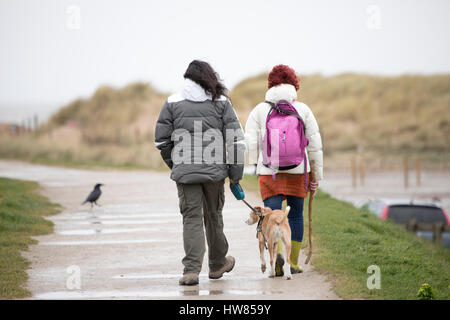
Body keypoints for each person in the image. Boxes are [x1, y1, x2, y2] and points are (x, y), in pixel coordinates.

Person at [155, 60, 245, 286]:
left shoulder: (172, 102)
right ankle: (217, 265)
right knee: (214, 216)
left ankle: (191, 271)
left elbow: (162, 140)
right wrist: (235, 173)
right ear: (208, 77)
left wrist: (175, 164)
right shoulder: (221, 102)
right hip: (215, 173)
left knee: (191, 219)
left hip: (185, 171)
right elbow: (235, 140)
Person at [245, 64, 323, 275]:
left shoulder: (259, 110)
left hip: (269, 172)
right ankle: (292, 262)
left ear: (270, 85)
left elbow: (250, 142)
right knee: (295, 216)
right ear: (294, 85)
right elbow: (315, 144)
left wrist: (255, 166)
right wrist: (317, 176)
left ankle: (276, 261)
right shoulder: (303, 109)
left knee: (271, 217)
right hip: (299, 172)